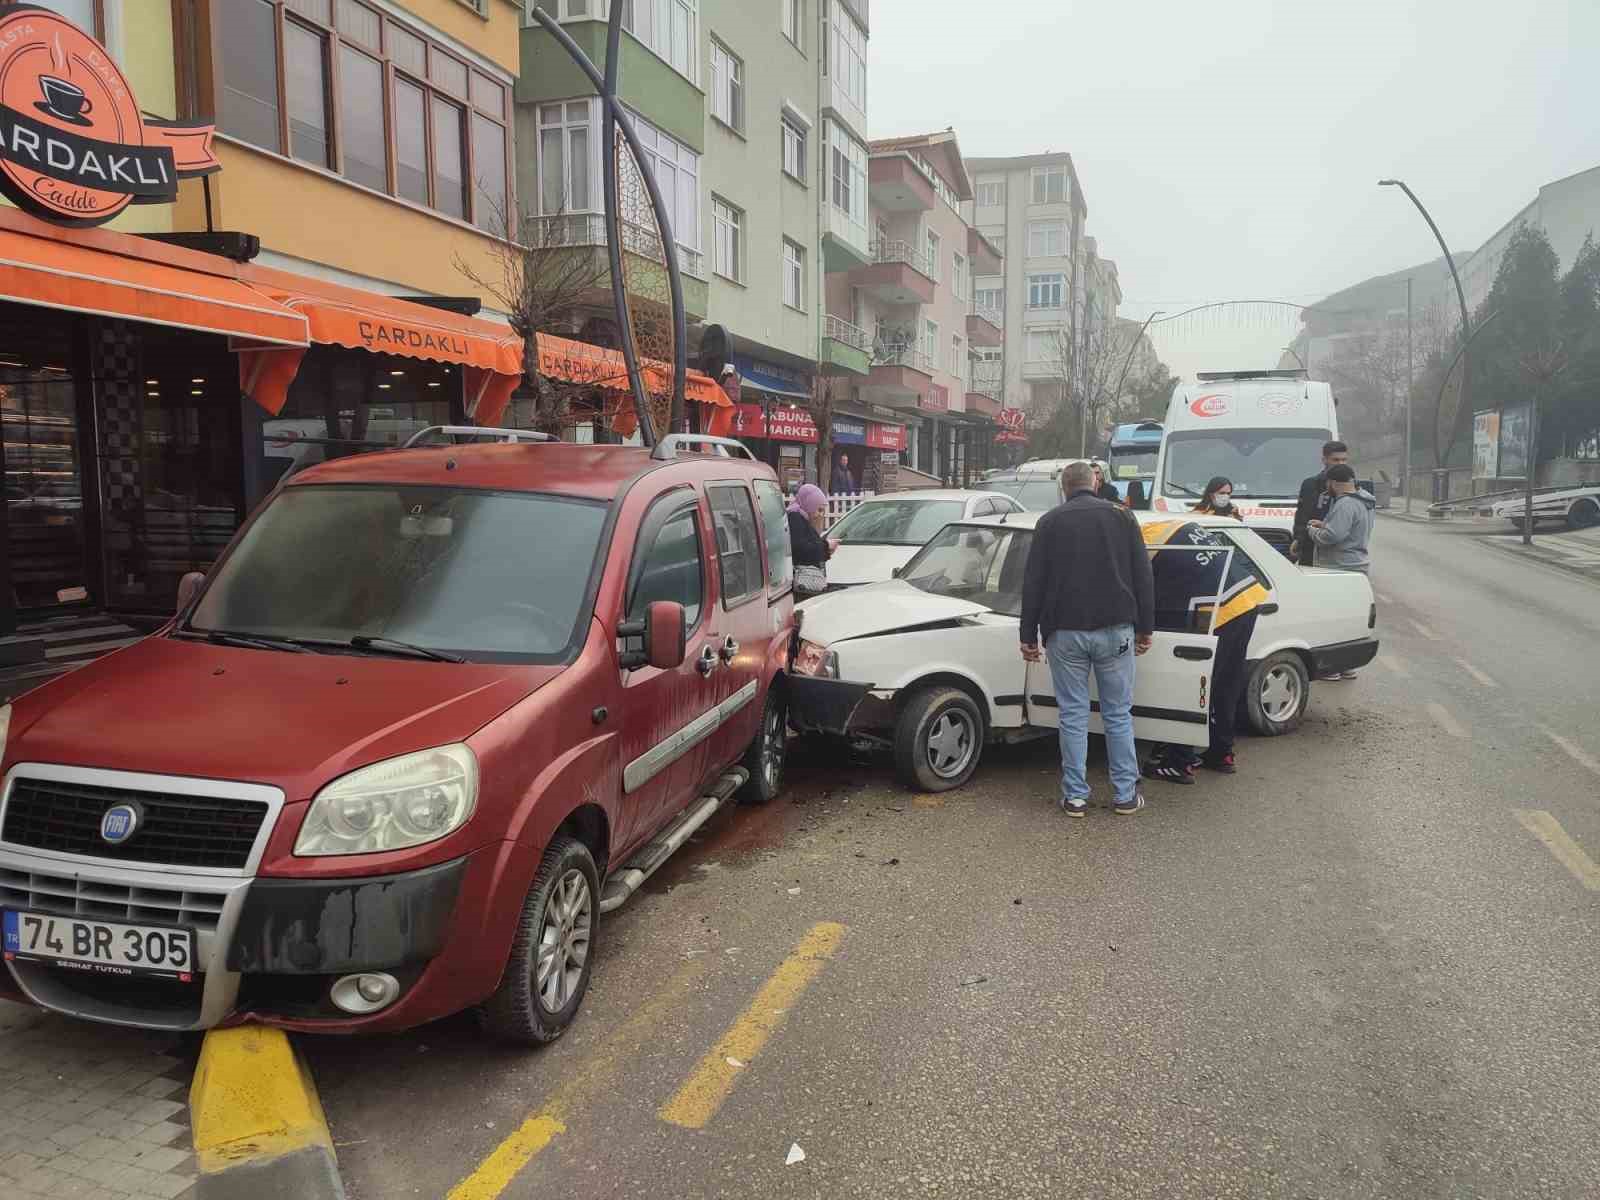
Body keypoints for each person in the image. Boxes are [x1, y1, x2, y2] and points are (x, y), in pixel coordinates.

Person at [1020, 461, 1154, 818]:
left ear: (1064, 488)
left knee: (1073, 714)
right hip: (1116, 631)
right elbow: (1143, 575)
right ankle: (1125, 795)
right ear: (1095, 483)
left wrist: (1027, 636)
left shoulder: (1049, 522)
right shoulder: (1122, 517)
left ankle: (1076, 797)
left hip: (1064, 633)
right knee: (1118, 714)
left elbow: (1033, 583)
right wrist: (1146, 628)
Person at [1140, 518, 1270, 782]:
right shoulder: (1160, 525)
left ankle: (1179, 762)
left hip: (1216, 610)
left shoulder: (1140, 542)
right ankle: (1221, 753)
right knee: (1225, 683)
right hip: (1246, 599)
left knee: (1188, 684)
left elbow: (1137, 590)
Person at [1291, 440, 1349, 566]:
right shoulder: (1311, 484)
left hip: (1341, 551)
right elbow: (1302, 515)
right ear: (1324, 460)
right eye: (1336, 460)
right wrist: (1298, 539)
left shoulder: (1353, 487)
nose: (1341, 464)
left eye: (1344, 460)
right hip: (1311, 547)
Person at [787, 484, 836, 600]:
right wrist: (826, 546)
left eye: (822, 511)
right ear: (809, 505)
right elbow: (801, 550)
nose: (821, 514)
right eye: (819, 510)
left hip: (805, 584)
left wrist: (826, 548)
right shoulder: (795, 519)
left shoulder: (801, 518)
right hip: (803, 585)